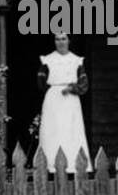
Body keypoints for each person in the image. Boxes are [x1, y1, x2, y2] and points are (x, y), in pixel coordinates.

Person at [36, 31, 90, 172]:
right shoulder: (47, 60)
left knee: (71, 130)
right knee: (52, 131)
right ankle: (51, 167)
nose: (61, 42)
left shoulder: (76, 60)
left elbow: (84, 84)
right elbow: (41, 82)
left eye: (63, 39)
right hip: (53, 100)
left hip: (70, 100)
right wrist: (54, 90)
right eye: (57, 39)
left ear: (69, 41)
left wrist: (72, 88)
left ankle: (73, 166)